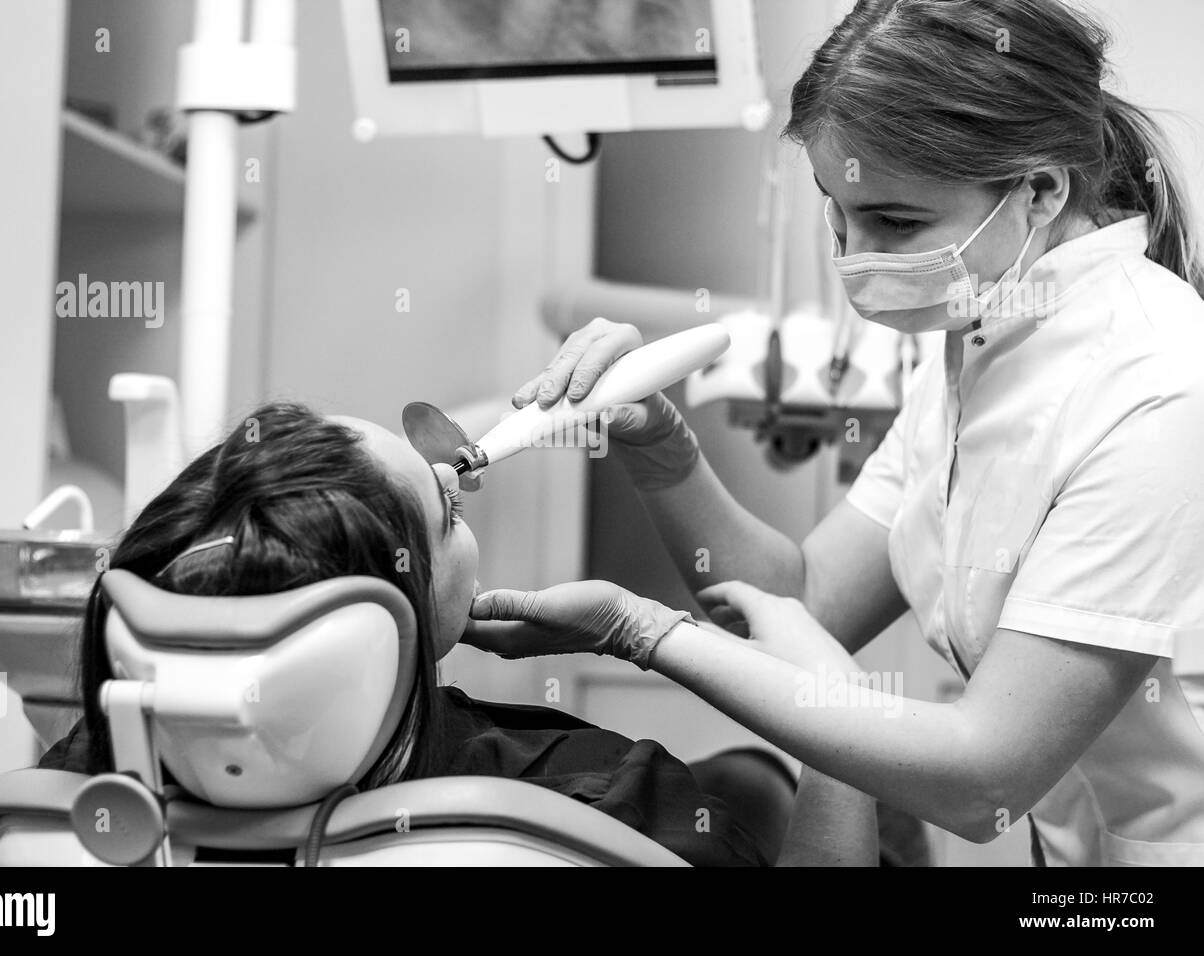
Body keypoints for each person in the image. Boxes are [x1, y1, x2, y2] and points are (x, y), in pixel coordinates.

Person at [463, 0, 1204, 866]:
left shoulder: (1156, 387)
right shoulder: (985, 336)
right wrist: (662, 452)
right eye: (836, 210)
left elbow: (982, 781)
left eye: (896, 223)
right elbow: (803, 603)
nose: (855, 256)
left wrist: (641, 633)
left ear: (1039, 190)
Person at [37, 401, 884, 866]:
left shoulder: (82, 792)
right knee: (762, 787)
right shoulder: (591, 800)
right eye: (447, 511)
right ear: (390, 622)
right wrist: (838, 720)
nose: (454, 476)